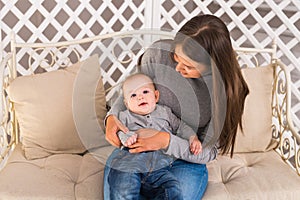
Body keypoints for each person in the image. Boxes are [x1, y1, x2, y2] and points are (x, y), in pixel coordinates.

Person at [104, 14, 249, 200]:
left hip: (184, 161)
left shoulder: (226, 93)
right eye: (176, 57)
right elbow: (134, 90)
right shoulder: (157, 55)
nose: (178, 68)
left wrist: (166, 141)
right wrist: (112, 117)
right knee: (121, 194)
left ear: (213, 66)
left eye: (188, 66)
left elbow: (208, 150)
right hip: (136, 152)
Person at [108, 73, 201, 199]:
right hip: (130, 161)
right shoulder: (125, 116)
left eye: (145, 92)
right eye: (133, 95)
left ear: (156, 96)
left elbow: (181, 127)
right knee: (124, 188)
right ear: (126, 103)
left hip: (158, 168)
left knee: (172, 188)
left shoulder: (165, 112)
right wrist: (127, 137)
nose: (140, 97)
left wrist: (192, 137)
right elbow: (120, 132)